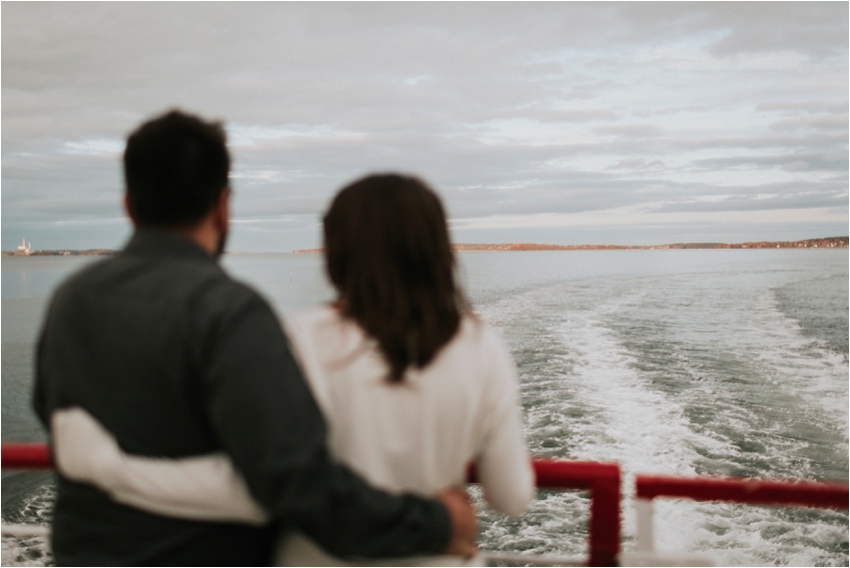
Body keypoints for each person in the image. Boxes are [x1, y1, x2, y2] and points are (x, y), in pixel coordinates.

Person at [33, 110, 477, 566]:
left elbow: (52, 414)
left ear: (129, 204)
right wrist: (441, 522)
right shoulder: (229, 312)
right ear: (223, 205)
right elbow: (298, 483)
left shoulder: (70, 299)